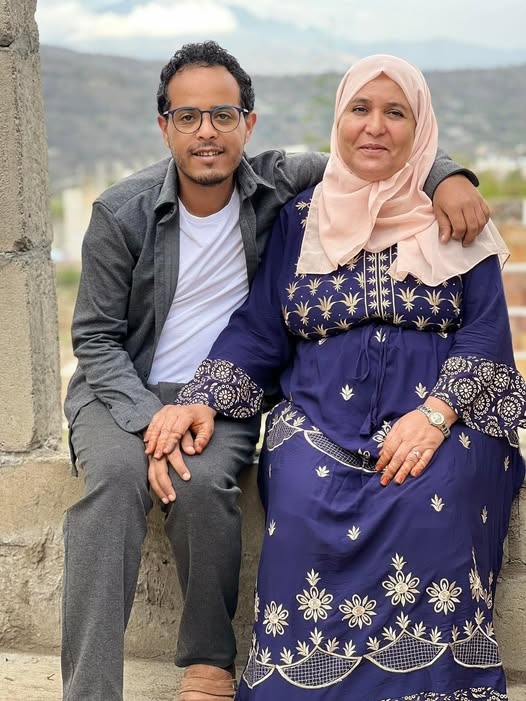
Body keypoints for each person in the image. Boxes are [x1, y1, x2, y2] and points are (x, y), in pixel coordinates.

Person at [63, 39, 490, 701]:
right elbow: (100, 339)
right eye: (187, 117)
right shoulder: (129, 213)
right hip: (131, 390)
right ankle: (90, 692)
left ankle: (210, 664)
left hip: (235, 396)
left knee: (204, 485)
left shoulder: (285, 184)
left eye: (223, 115)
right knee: (120, 484)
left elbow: (380, 150)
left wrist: (450, 176)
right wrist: (162, 418)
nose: (207, 132)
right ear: (164, 127)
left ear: (249, 123)